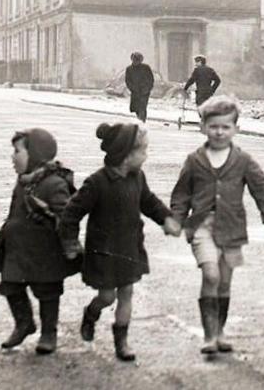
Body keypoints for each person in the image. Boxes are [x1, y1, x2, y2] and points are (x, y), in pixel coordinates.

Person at [168, 95, 264, 355]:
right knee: (211, 275)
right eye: (214, 126)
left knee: (224, 283)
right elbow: (181, 194)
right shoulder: (194, 160)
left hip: (232, 229)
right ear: (203, 127)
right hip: (201, 227)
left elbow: (261, 188)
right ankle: (209, 336)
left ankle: (220, 332)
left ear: (236, 129)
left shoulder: (242, 160)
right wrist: (176, 219)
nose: (219, 132)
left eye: (225, 127)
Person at [60, 122, 181, 363]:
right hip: (103, 251)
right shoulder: (97, 182)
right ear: (126, 155)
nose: (146, 156)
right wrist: (71, 242)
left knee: (127, 293)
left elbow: (149, 202)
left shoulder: (137, 177)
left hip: (129, 247)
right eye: (143, 151)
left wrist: (166, 218)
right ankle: (91, 313)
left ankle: (121, 342)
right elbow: (71, 213)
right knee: (107, 297)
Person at [0, 129, 76, 355]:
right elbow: (14, 210)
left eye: (17, 151)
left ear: (36, 154)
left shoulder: (54, 183)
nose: (13, 156)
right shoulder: (23, 181)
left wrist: (54, 219)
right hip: (18, 248)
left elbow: (67, 216)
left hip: (45, 250)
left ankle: (48, 333)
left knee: (48, 291)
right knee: (10, 285)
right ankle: (24, 323)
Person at [124, 53, 154, 121]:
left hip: (144, 92)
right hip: (135, 92)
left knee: (142, 108)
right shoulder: (129, 69)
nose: (135, 61)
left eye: (137, 60)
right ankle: (140, 120)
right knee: (136, 108)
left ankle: (142, 121)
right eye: (134, 60)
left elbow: (151, 79)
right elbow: (128, 81)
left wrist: (147, 88)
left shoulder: (146, 68)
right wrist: (132, 88)